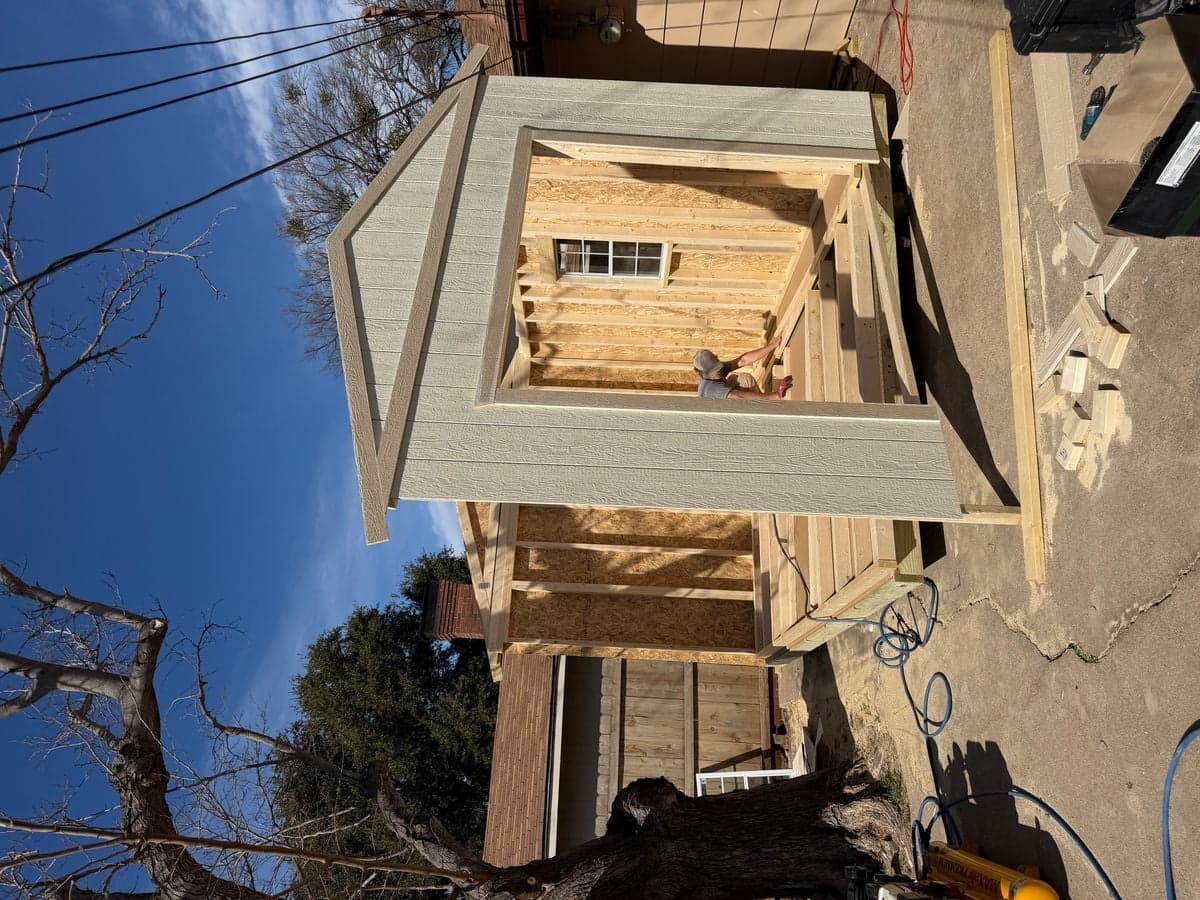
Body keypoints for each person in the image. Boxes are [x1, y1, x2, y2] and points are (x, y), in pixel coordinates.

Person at [693, 336, 793, 400]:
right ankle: (767, 411)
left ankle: (766, 403)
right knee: (739, 394)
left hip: (730, 402)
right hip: (728, 422)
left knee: (743, 379)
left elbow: (742, 360)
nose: (717, 373)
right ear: (701, 373)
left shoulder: (715, 370)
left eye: (717, 369)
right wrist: (776, 395)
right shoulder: (710, 389)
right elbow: (740, 396)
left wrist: (772, 346)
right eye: (713, 372)